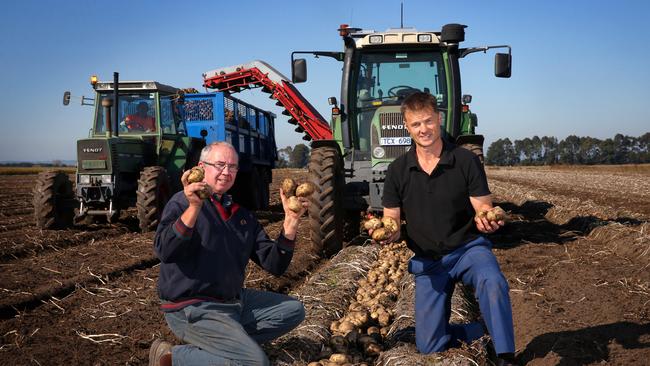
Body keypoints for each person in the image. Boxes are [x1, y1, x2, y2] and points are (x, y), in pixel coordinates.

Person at [378, 92, 516, 365]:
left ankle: (505, 354)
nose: (423, 129)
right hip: (429, 261)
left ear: (438, 119)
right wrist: (388, 233)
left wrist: (487, 222)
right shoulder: (397, 170)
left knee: (492, 280)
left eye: (428, 121)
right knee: (429, 346)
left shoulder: (465, 160)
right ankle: (484, 330)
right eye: (416, 124)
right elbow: (391, 219)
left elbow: (483, 208)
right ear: (407, 126)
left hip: (467, 250)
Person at [149, 141, 308, 366]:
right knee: (255, 363)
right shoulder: (182, 202)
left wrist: (291, 222)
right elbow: (165, 250)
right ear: (202, 167)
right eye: (220, 164)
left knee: (293, 310)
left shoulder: (242, 216)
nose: (227, 172)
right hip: (193, 307)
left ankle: (226, 345)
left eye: (232, 167)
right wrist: (194, 208)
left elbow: (275, 264)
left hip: (233, 303)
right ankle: (171, 358)